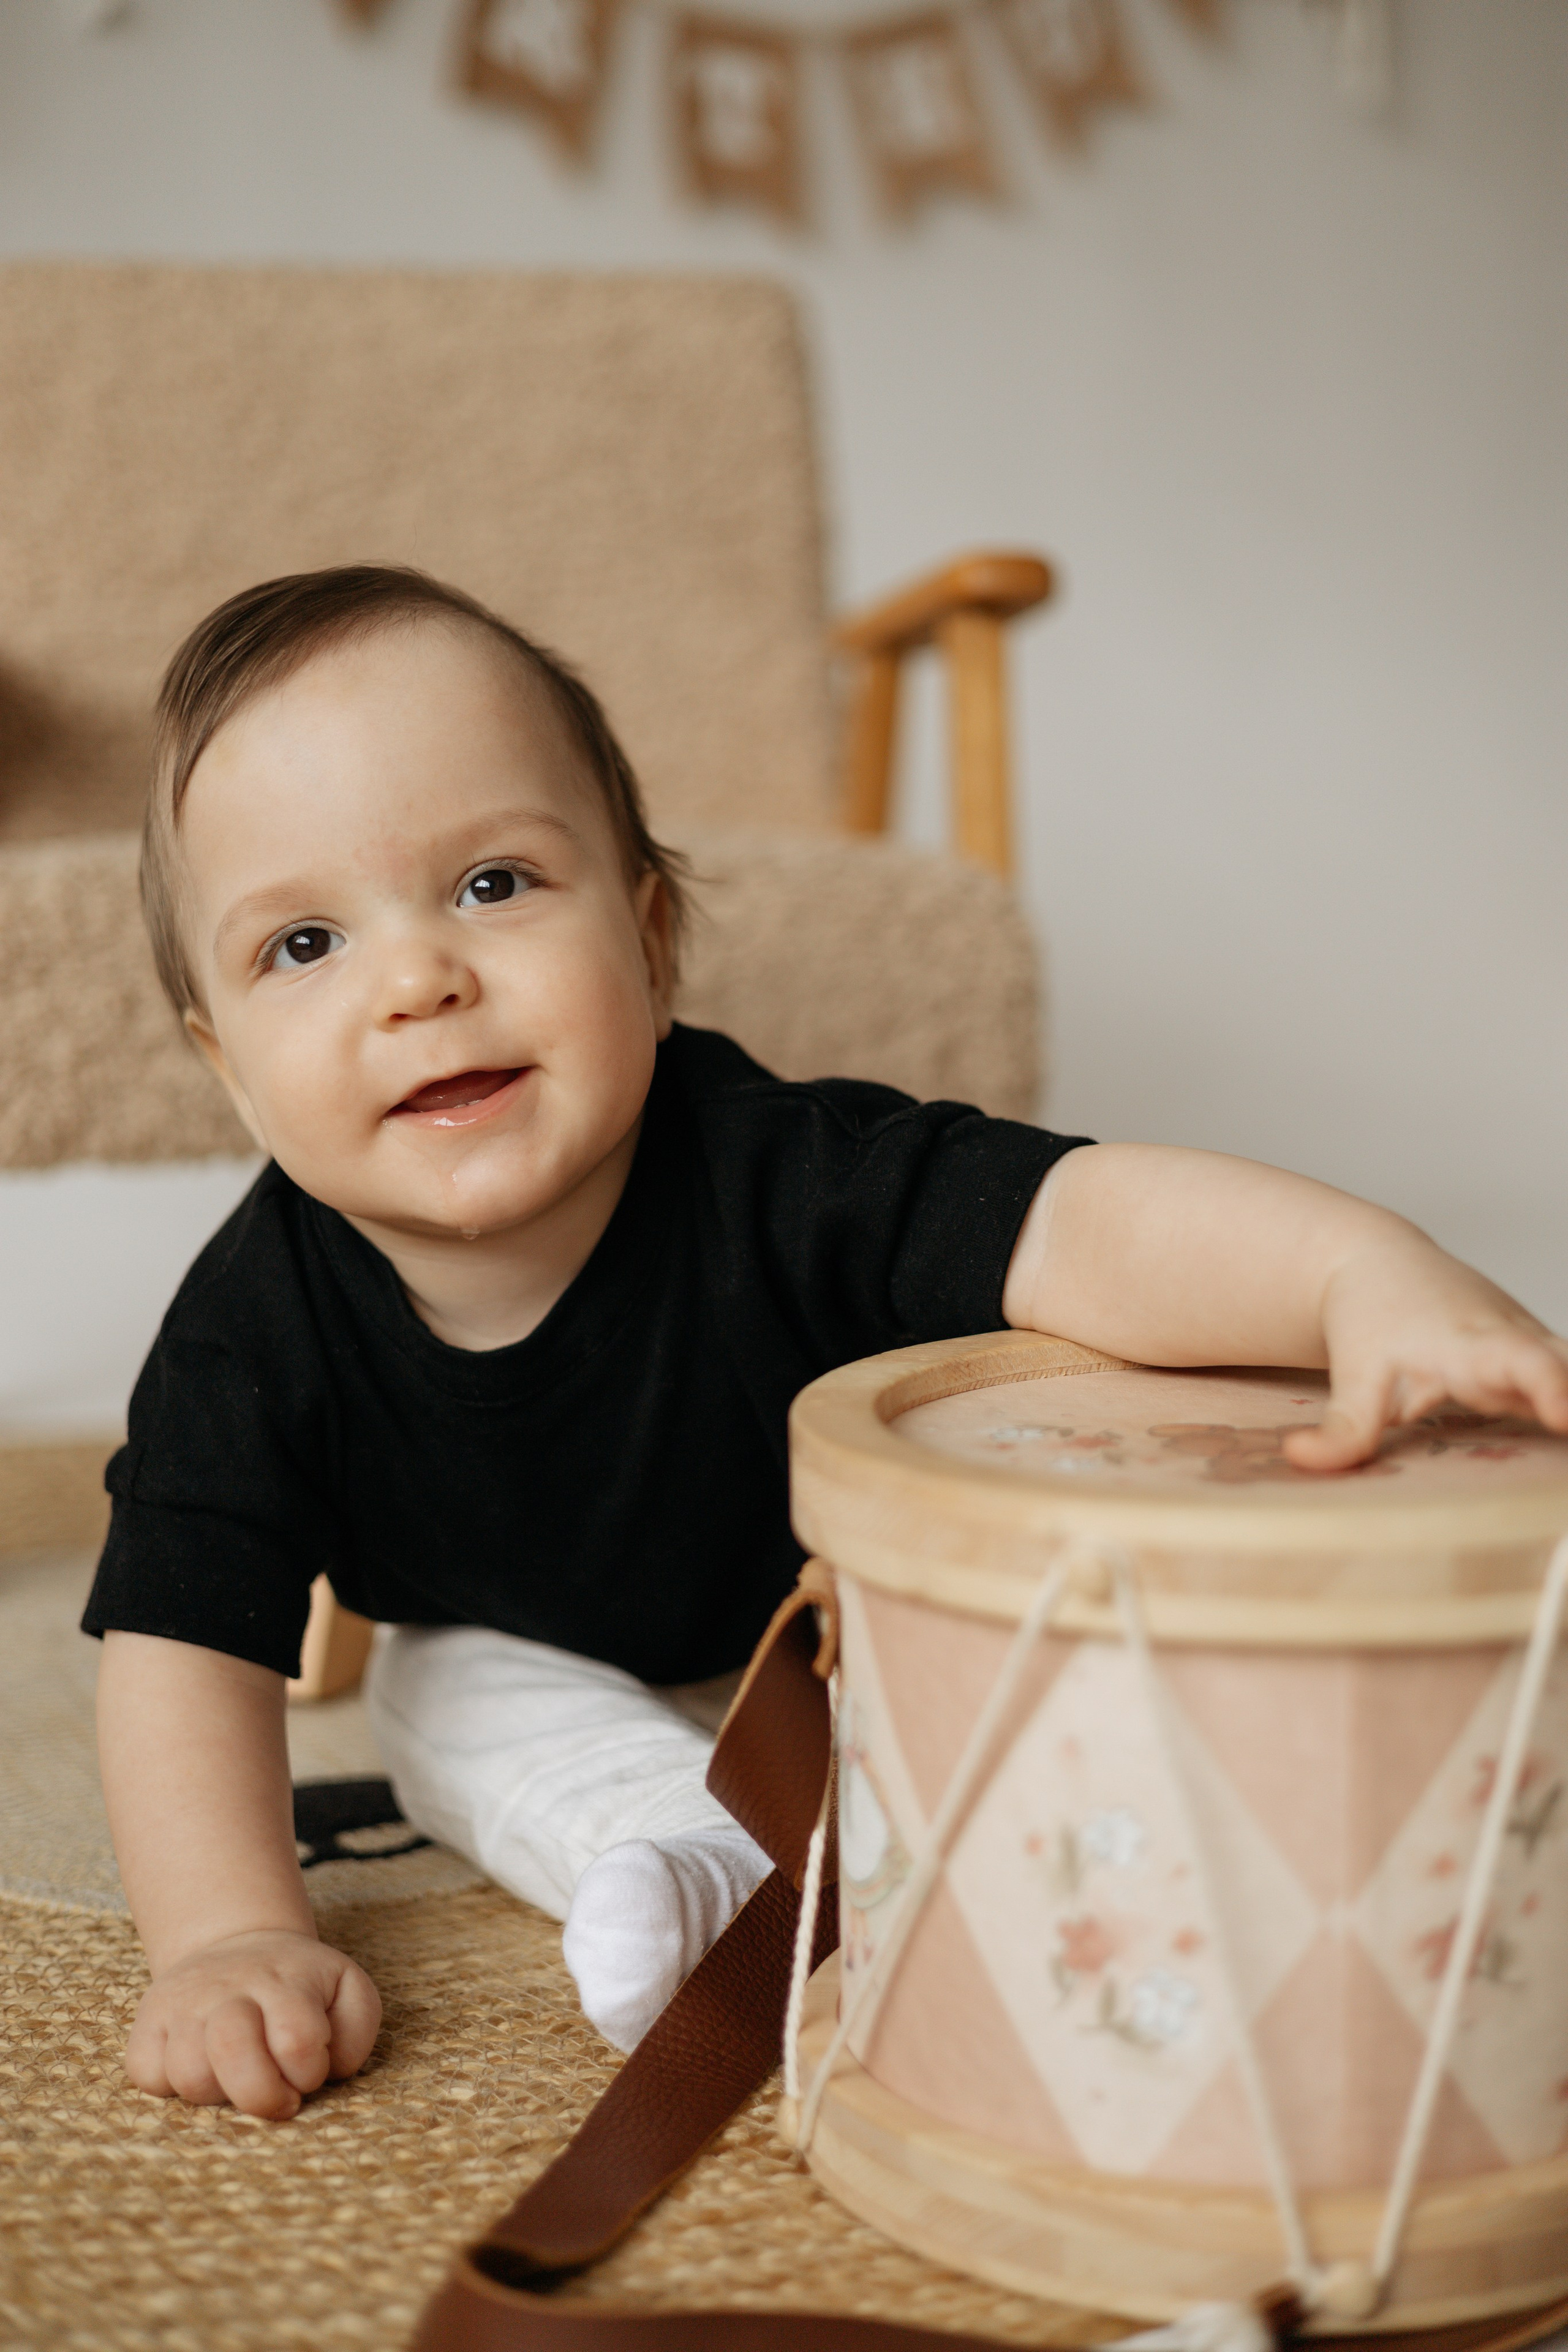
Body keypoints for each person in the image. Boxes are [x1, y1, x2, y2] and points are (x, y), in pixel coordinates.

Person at [85, 565, 1568, 2125]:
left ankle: (861, 1823)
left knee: (1022, 1637)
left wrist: (1358, 1272)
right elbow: (185, 1649)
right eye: (303, 945)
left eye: (492, 885)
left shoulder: (785, 1169)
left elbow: (1081, 1220)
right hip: (512, 1649)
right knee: (437, 1708)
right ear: (231, 1075)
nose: (417, 978)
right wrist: (231, 1933)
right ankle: (696, 1859)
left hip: (824, 1622)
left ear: (650, 945)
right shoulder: (249, 1329)